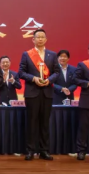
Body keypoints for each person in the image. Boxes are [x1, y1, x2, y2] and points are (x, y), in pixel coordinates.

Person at [19, 29, 60, 161]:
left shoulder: (52, 55)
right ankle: (30, 150)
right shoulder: (27, 54)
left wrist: (49, 80)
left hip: (47, 92)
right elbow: (21, 72)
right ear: (33, 39)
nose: (40, 39)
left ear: (46, 39)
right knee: (32, 122)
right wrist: (33, 79)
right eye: (38, 37)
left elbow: (57, 72)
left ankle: (44, 150)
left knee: (44, 123)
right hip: (32, 93)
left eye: (43, 37)